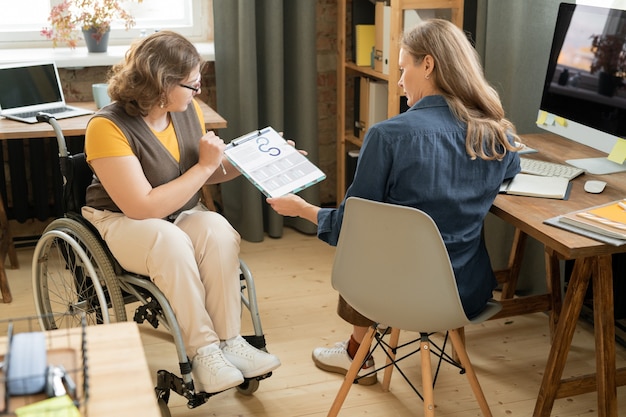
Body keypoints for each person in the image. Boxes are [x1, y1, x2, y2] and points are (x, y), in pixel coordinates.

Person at [267, 19, 521, 385]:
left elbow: (347, 229)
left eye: (403, 69)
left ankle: (359, 354)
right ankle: (359, 350)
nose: (400, 82)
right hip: (466, 294)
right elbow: (513, 167)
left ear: (428, 65)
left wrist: (302, 208)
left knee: (364, 244)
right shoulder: (498, 133)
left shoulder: (387, 136)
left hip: (394, 296)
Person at [81, 30, 280, 394]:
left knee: (217, 228)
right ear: (161, 85)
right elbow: (141, 206)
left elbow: (209, 168)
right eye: (191, 84)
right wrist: (205, 167)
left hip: (179, 214)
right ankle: (203, 353)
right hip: (124, 221)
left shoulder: (187, 111)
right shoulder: (105, 127)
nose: (198, 90)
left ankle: (230, 341)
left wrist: (266, 159)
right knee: (170, 240)